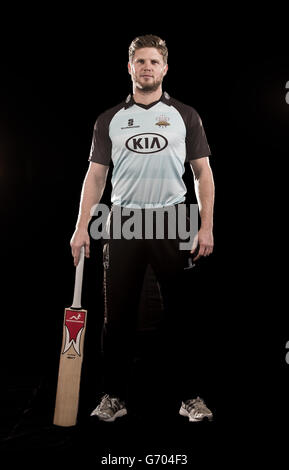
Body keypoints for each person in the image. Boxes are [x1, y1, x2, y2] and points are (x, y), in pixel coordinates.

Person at [70, 34, 215, 423]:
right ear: (130, 67)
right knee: (116, 317)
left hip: (173, 219)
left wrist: (206, 226)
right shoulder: (110, 120)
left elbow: (203, 174)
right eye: (141, 62)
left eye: (154, 62)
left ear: (165, 68)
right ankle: (114, 396)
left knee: (183, 315)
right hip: (124, 221)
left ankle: (190, 397)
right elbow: (95, 176)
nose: (147, 67)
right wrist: (81, 227)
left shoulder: (186, 115)